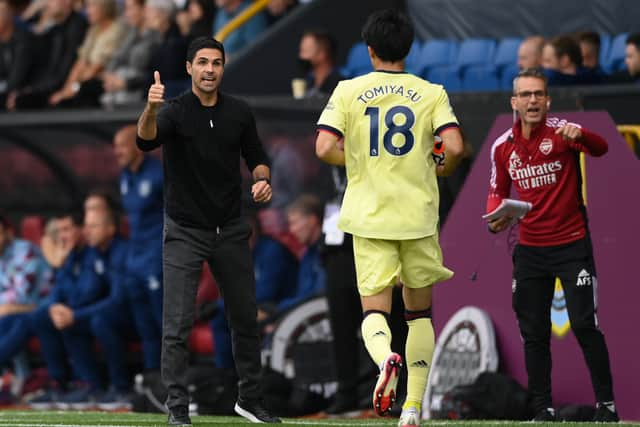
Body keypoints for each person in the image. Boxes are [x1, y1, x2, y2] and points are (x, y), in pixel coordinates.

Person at [315, 9, 464, 427]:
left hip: (370, 217)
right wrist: (435, 167)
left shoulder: (348, 90)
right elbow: (452, 146)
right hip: (417, 216)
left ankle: (385, 360)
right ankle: (412, 407)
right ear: (408, 49)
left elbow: (324, 147)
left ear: (369, 49)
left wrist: (358, 160)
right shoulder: (431, 92)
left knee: (374, 312)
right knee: (418, 314)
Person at [136, 36, 280, 425]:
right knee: (177, 325)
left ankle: (250, 398)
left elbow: (258, 158)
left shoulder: (239, 111)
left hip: (230, 228)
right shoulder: (175, 110)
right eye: (202, 63)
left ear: (223, 66)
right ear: (189, 68)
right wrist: (150, 109)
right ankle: (177, 408)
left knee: (245, 318)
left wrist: (262, 180)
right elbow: (145, 140)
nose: (210, 70)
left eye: (216, 63)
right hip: (184, 229)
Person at [485, 68, 618, 423]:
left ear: (548, 100)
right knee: (534, 333)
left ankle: (607, 406)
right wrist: (496, 218)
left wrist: (583, 135)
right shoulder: (502, 147)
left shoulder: (563, 131)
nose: (532, 101)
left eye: (538, 94)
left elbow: (602, 148)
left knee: (584, 325)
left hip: (572, 246)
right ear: (514, 102)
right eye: (525, 95)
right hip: (529, 251)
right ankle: (542, 408)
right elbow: (496, 196)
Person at [297, 29, 344, 98]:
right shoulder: (308, 82)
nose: (301, 56)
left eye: (305, 51)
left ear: (322, 54)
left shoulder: (340, 85)